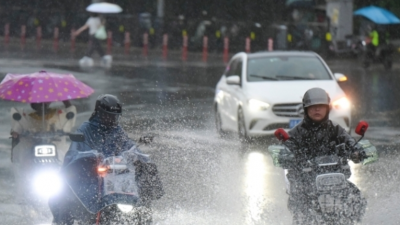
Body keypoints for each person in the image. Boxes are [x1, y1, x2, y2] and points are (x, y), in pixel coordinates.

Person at [49, 94, 163, 224]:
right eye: (108, 115)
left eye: (114, 116)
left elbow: (128, 146)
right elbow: (75, 153)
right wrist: (92, 157)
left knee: (143, 184)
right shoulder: (86, 129)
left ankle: (144, 220)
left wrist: (138, 157)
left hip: (116, 177)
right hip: (90, 178)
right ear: (99, 112)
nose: (111, 119)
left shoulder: (117, 131)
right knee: (65, 197)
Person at [283, 87, 365, 224]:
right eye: (313, 107)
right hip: (306, 180)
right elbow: (285, 151)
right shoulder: (296, 133)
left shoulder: (335, 129)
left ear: (327, 108)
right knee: (299, 202)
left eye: (321, 106)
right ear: (306, 109)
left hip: (334, 178)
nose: (317, 110)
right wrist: (289, 157)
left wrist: (357, 151)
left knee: (355, 197)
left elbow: (350, 142)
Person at [11, 100, 76, 163]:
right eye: (39, 103)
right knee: (25, 157)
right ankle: (24, 172)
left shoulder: (58, 114)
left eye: (44, 103)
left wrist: (65, 100)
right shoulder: (27, 117)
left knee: (64, 158)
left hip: (56, 147)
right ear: (33, 104)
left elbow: (70, 113)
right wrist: (16, 133)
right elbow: (18, 127)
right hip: (32, 147)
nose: (42, 105)